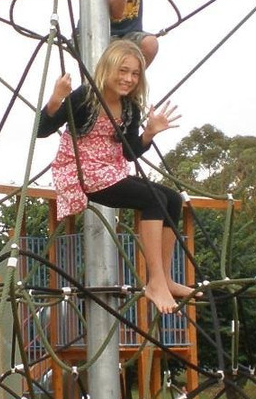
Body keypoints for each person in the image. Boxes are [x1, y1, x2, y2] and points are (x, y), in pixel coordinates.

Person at [37, 38, 188, 314]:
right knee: (153, 200)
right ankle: (154, 281)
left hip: (112, 170)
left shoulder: (130, 108)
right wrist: (57, 98)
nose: (128, 79)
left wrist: (149, 133)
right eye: (123, 70)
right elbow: (41, 130)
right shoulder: (84, 97)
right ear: (108, 68)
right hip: (83, 173)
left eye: (134, 74)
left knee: (173, 199)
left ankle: (165, 278)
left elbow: (130, 153)